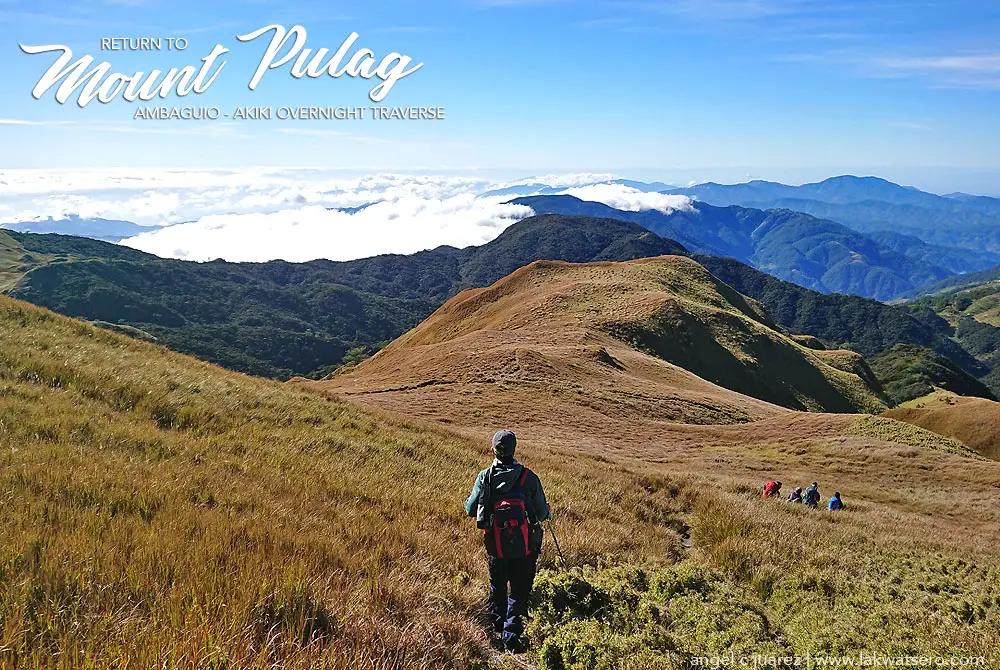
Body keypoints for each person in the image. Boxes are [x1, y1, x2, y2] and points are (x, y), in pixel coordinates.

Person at [464, 429, 550, 653]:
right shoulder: (528, 477)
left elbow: (471, 509)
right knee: (520, 590)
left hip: (496, 545)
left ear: (493, 450)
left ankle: (498, 629)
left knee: (498, 587)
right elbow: (541, 513)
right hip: (525, 547)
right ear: (514, 450)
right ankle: (512, 637)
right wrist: (546, 513)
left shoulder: (485, 477)